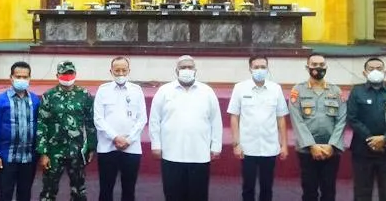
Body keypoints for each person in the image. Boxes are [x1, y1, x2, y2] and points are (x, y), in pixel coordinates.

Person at [149, 55, 223, 201]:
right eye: (183, 67)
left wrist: (216, 146)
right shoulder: (164, 91)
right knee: (173, 195)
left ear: (195, 70)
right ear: (176, 71)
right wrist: (156, 145)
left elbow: (215, 120)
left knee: (198, 195)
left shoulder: (207, 91)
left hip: (199, 154)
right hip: (171, 154)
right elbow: (154, 119)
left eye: (190, 67)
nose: (187, 70)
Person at [346, 57, 386, 201]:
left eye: (379, 68)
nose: (375, 71)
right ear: (364, 73)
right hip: (362, 150)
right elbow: (352, 118)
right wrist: (371, 139)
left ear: (385, 72)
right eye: (371, 69)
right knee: (362, 193)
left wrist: (385, 138)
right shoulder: (357, 92)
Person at [227, 55, 288, 201]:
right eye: (256, 67)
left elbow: (281, 118)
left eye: (263, 67)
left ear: (267, 68)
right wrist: (236, 144)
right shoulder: (240, 88)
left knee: (267, 187)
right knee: (248, 187)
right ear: (250, 69)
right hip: (248, 147)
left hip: (269, 146)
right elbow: (234, 117)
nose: (260, 70)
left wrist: (284, 145)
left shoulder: (276, 89)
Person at [288, 53, 347, 201]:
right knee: (309, 191)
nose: (318, 68)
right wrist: (312, 146)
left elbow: (342, 120)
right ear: (307, 67)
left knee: (329, 191)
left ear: (326, 67)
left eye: (321, 65)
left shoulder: (336, 91)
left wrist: (331, 145)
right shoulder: (298, 91)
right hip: (307, 150)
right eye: (314, 65)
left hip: (330, 150)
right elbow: (297, 120)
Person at [36, 60, 97, 201]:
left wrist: (91, 147)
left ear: (75, 74)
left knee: (79, 191)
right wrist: (43, 152)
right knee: (48, 191)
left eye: (70, 73)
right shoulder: (49, 95)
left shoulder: (84, 95)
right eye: (64, 74)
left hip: (77, 150)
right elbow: (42, 123)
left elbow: (90, 122)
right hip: (54, 151)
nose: (67, 77)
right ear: (57, 75)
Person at [94, 56, 147, 201]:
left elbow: (142, 119)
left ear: (129, 71)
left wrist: (128, 140)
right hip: (107, 147)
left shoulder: (137, 90)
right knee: (106, 189)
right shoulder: (103, 90)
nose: (120, 73)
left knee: (129, 189)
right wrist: (115, 137)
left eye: (124, 70)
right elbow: (98, 119)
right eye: (117, 70)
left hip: (131, 147)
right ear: (111, 71)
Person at [0, 61, 41, 201]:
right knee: (4, 194)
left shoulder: (35, 100)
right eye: (18, 76)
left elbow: (40, 126)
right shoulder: (0, 101)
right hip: (6, 157)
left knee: (25, 194)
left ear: (30, 78)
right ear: (11, 78)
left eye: (25, 77)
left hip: (28, 157)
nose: (21, 80)